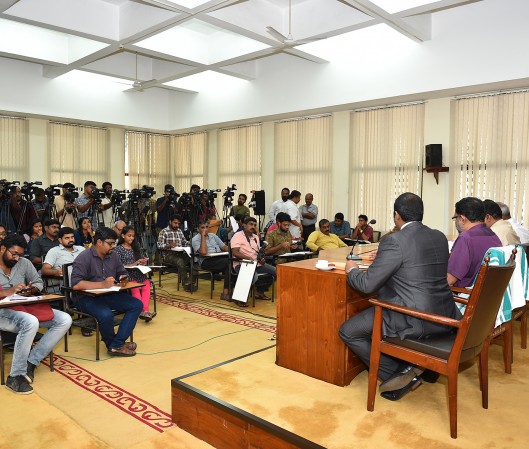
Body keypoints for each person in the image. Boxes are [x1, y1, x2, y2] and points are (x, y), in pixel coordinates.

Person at [339, 193, 460, 402]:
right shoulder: (439, 237)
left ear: (396, 215)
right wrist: (384, 260)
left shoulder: (394, 240)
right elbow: (418, 268)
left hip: (412, 317)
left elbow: (367, 285)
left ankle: (400, 373)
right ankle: (419, 366)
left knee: (348, 331)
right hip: (443, 315)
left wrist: (352, 269)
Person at [0, 234, 72, 394]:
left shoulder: (23, 262)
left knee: (64, 319)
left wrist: (31, 289)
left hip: (23, 305)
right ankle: (15, 376)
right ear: (3, 248)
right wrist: (8, 292)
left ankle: (31, 361)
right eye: (14, 254)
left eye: (19, 255)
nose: (16, 258)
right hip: (2, 312)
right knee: (30, 322)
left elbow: (39, 282)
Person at [71, 227, 143, 357]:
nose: (113, 246)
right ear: (99, 242)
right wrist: (102, 284)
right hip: (85, 297)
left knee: (136, 304)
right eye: (110, 243)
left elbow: (122, 272)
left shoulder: (113, 255)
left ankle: (116, 344)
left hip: (108, 294)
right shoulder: (84, 257)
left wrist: (123, 278)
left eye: (114, 243)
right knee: (106, 314)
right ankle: (115, 345)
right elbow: (76, 284)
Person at [448, 197, 502, 288]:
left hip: (464, 294)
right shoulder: (493, 236)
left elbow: (449, 280)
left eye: (455, 218)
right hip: (488, 294)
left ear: (462, 218)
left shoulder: (466, 238)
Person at [230, 216, 276, 304]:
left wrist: (261, 259)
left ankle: (260, 292)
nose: (253, 227)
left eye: (255, 225)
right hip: (242, 264)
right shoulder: (238, 235)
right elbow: (235, 252)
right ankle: (239, 298)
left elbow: (257, 253)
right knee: (253, 277)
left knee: (276, 271)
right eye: (251, 224)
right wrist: (248, 258)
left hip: (256, 263)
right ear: (244, 225)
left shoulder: (255, 237)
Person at [114, 225, 156, 322]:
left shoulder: (135, 247)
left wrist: (141, 262)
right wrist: (133, 264)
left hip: (138, 272)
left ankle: (145, 311)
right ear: (123, 236)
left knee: (146, 283)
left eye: (133, 236)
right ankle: (142, 310)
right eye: (129, 236)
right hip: (126, 274)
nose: (132, 238)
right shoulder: (118, 249)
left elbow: (138, 259)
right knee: (135, 286)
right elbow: (118, 265)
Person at [192, 220, 231, 301]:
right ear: (198, 229)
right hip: (206, 261)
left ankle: (230, 291)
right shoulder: (195, 239)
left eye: (207, 227)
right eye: (202, 228)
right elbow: (203, 252)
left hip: (218, 258)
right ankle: (225, 293)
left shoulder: (213, 236)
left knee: (233, 261)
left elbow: (224, 247)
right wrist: (203, 236)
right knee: (228, 263)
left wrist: (233, 251)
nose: (205, 229)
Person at [157, 214, 196, 292]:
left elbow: (184, 242)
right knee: (180, 261)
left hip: (180, 253)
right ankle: (186, 283)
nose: (177, 225)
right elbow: (159, 245)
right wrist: (168, 245)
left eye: (178, 224)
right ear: (170, 222)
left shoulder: (179, 231)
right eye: (175, 223)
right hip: (168, 255)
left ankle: (192, 281)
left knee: (193, 258)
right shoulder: (164, 231)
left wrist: (193, 242)